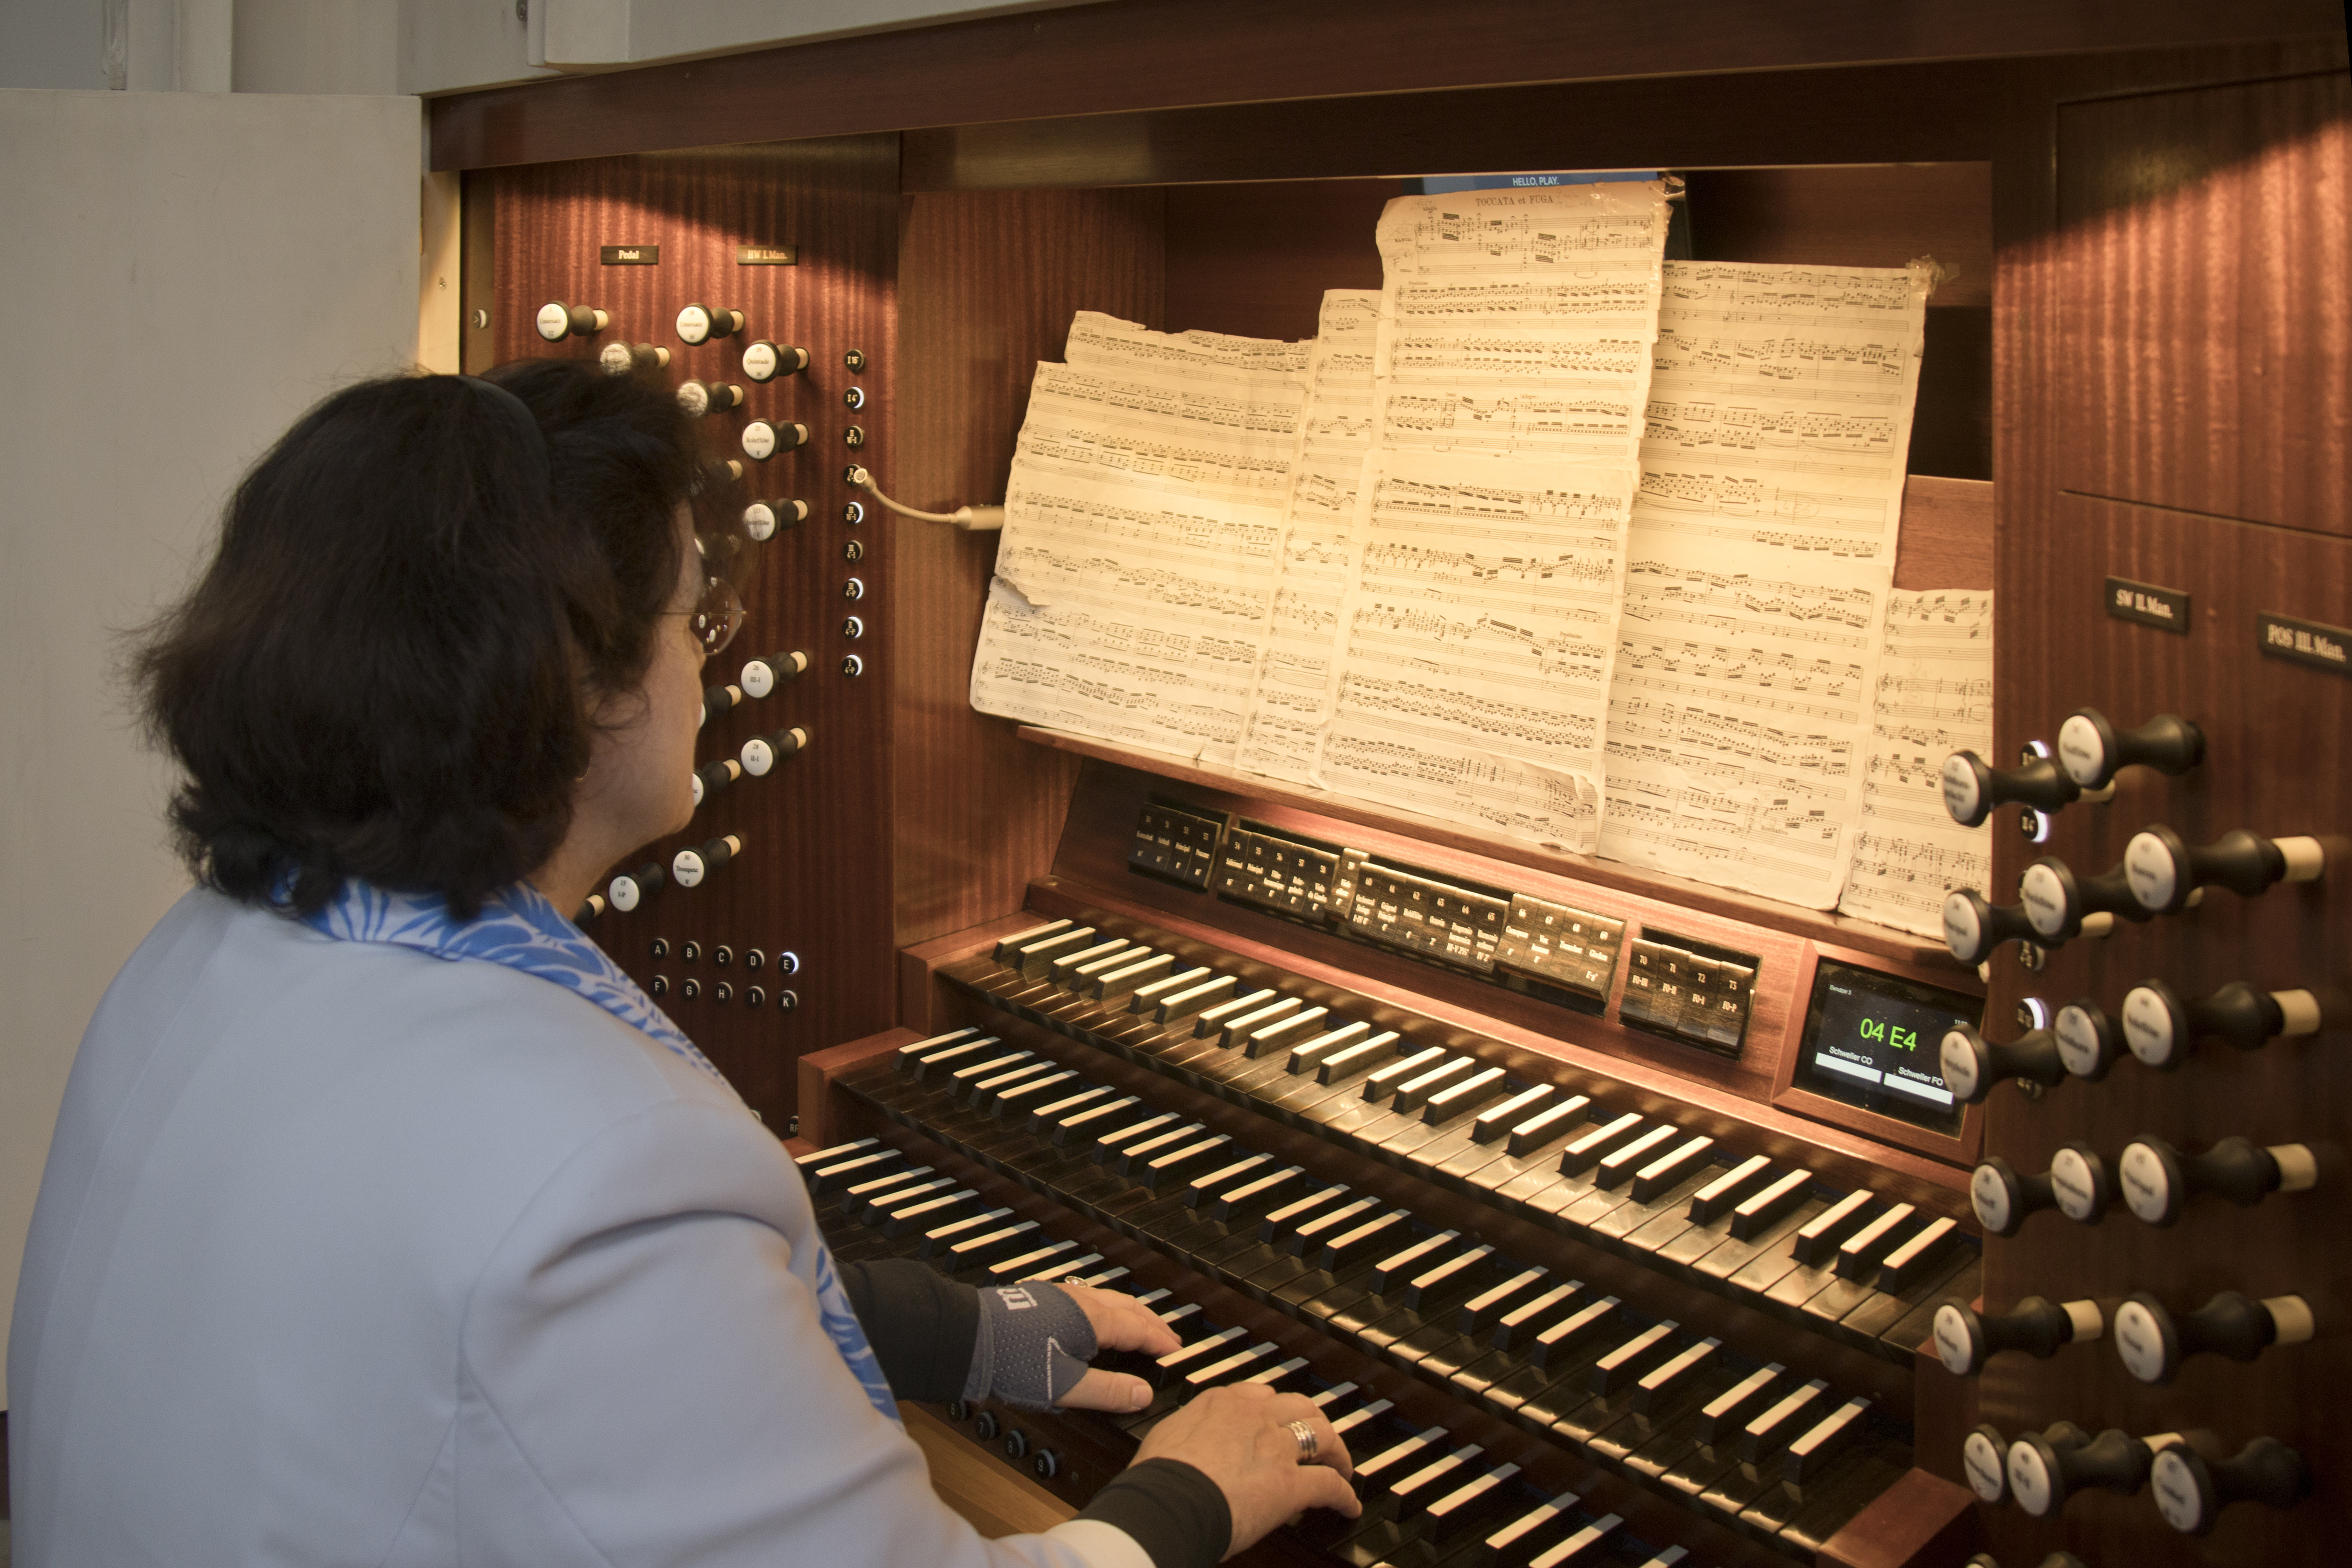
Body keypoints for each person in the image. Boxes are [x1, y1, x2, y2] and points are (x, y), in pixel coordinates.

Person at [5, 361, 1359, 1568]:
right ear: (580, 686)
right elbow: (561, 1263)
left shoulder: (206, 953)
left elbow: (515, 1328)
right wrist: (1179, 1502)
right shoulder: (602, 1167)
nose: (713, 673)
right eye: (693, 623)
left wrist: (971, 1335)